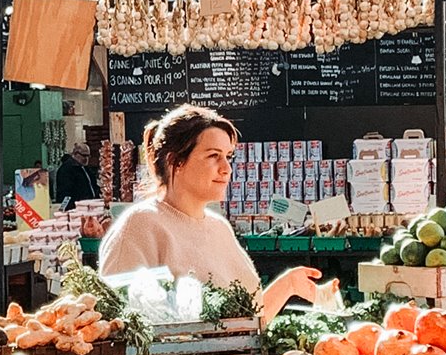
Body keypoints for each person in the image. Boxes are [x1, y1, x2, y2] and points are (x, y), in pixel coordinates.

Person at [99, 104, 318, 327]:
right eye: (214, 156)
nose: (226, 168)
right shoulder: (140, 226)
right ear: (175, 161)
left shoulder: (219, 228)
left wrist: (289, 285)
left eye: (228, 156)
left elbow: (250, 324)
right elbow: (117, 328)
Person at [54, 141, 99, 207]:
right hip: (77, 207)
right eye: (84, 156)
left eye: (88, 156)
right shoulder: (66, 169)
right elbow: (65, 192)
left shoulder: (85, 168)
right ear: (75, 154)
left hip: (88, 205)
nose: (86, 159)